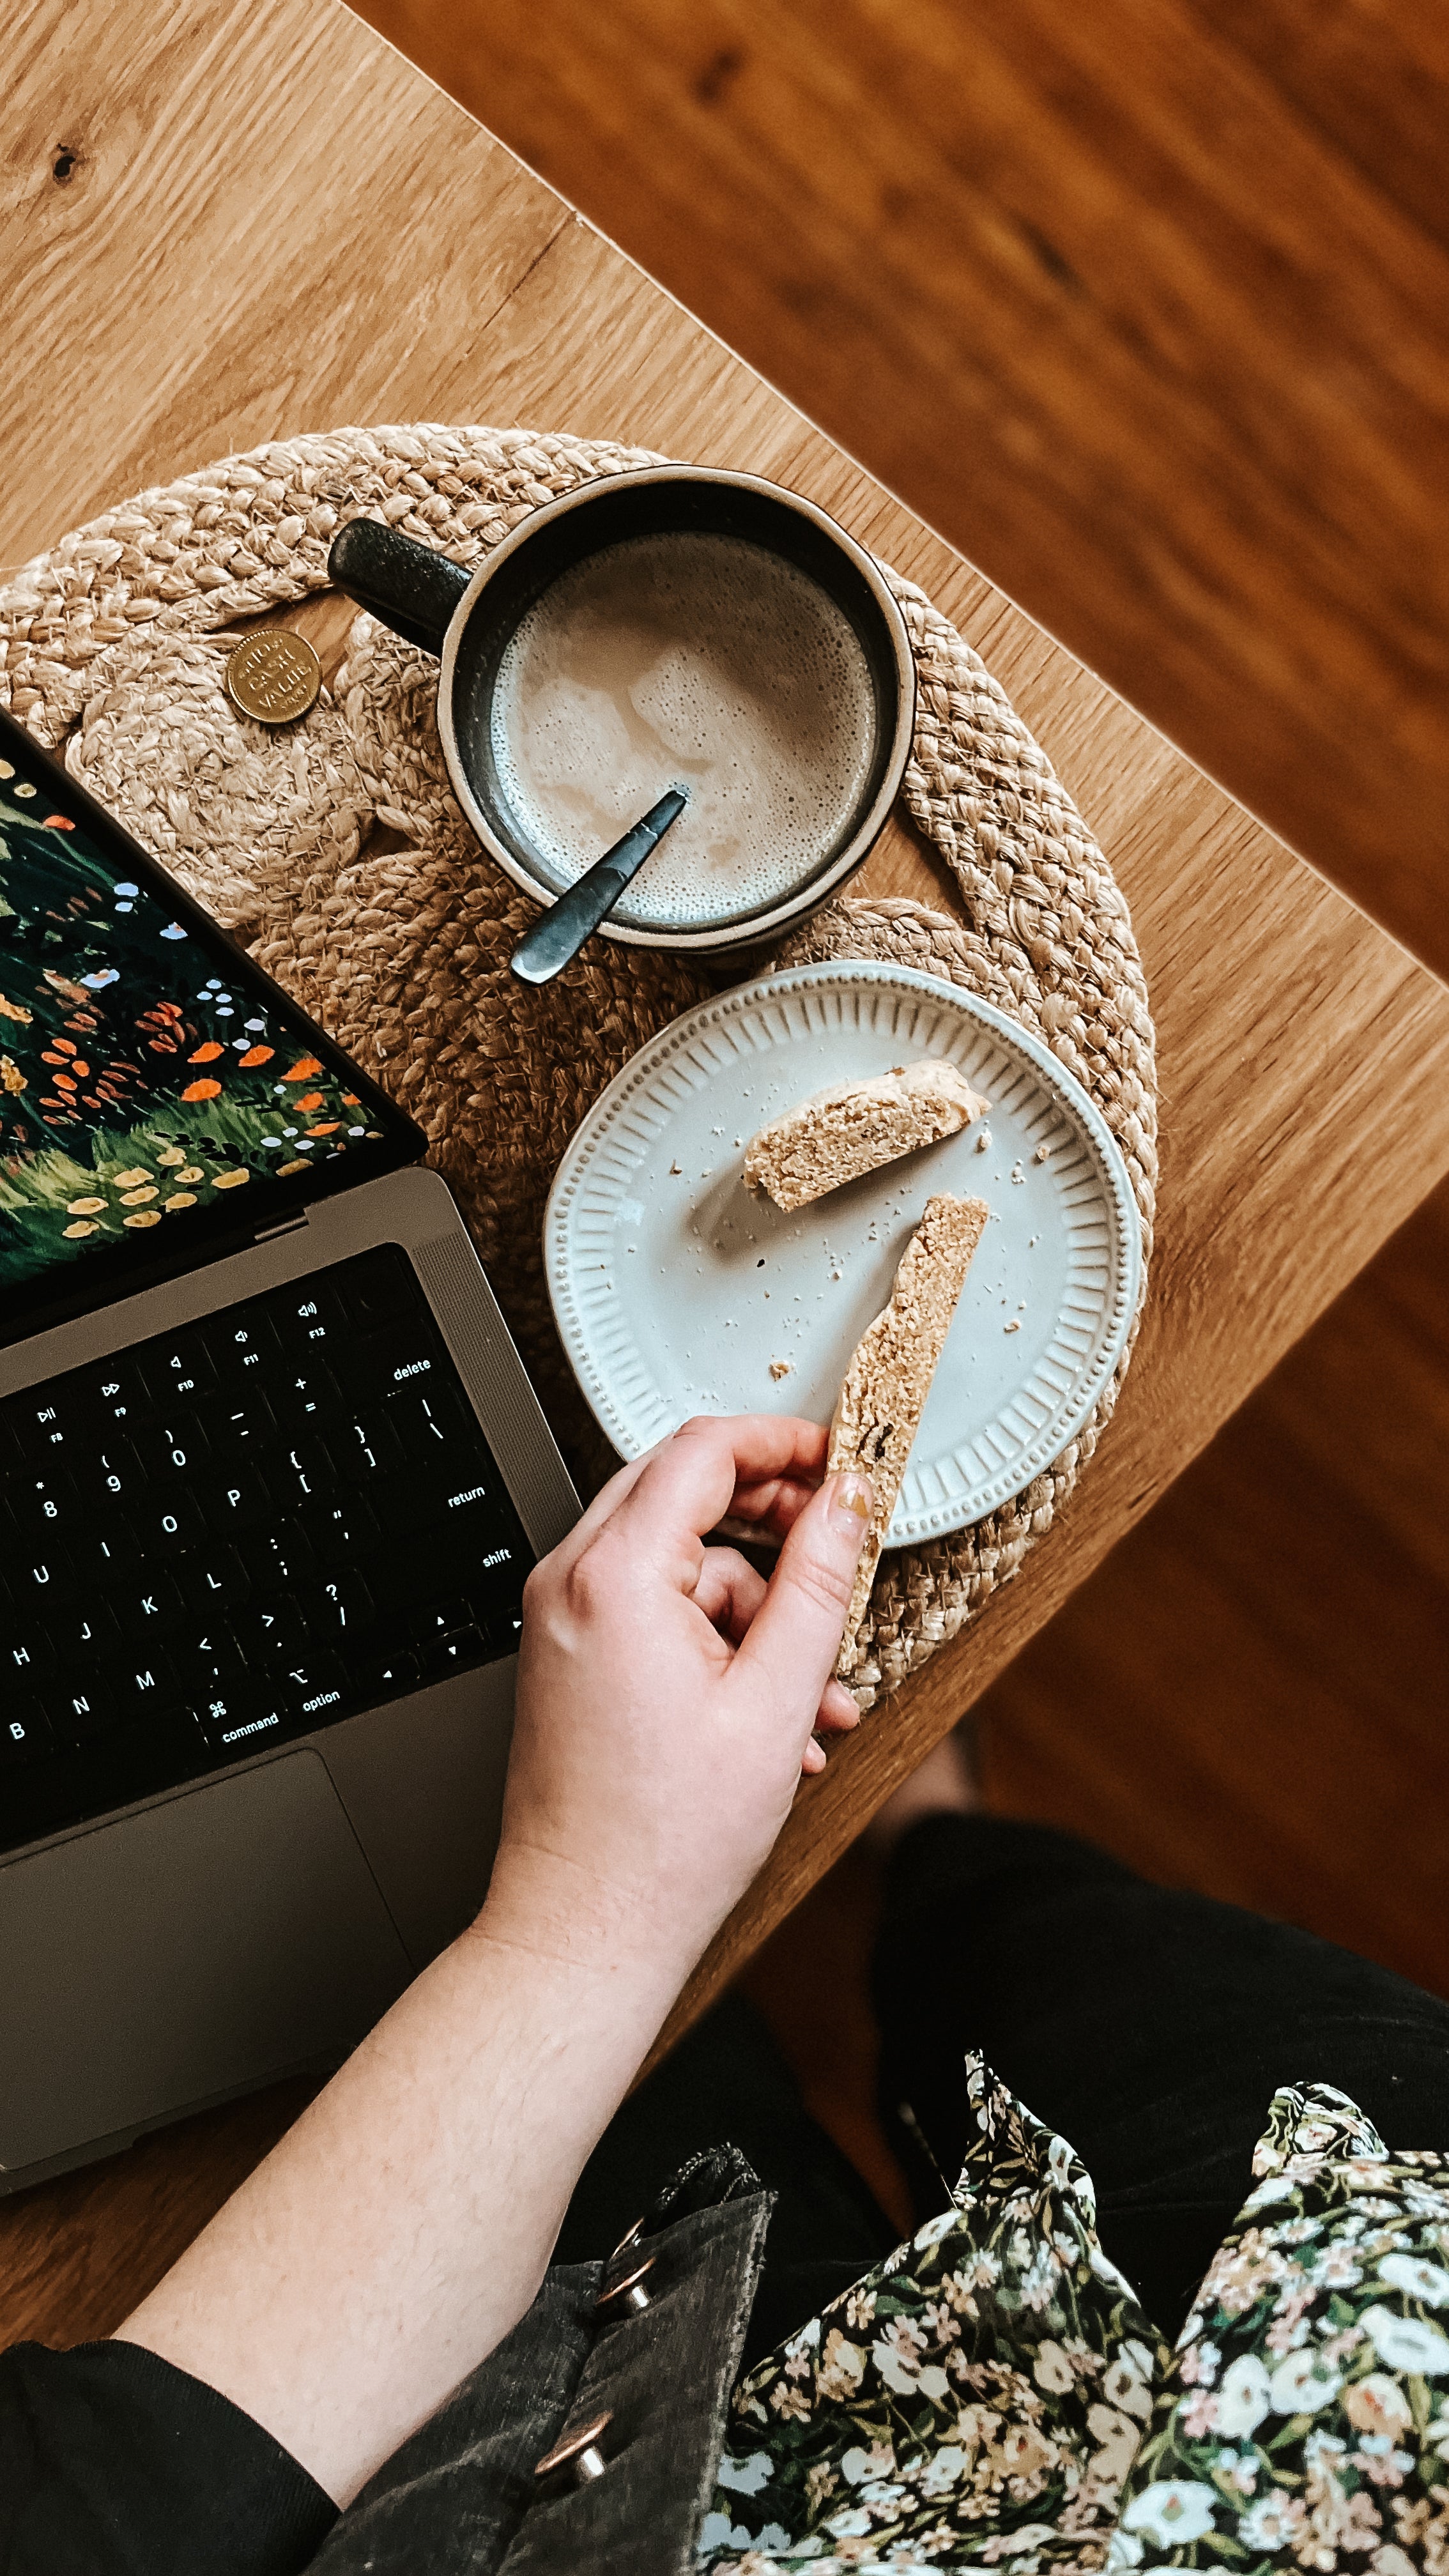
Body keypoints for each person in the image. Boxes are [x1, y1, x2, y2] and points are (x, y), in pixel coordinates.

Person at [3, 1412, 1449, 2575]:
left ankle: (901, 1851)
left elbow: (153, 2491)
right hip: (1369, 2275)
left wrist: (591, 1907)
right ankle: (929, 1839)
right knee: (1086, 1949)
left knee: (676, 2114)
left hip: (670, 2504)